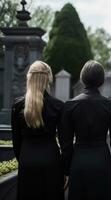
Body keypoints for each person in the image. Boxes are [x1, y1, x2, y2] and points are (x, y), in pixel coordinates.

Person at [59, 60, 111, 200]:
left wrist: (66, 170)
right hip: (103, 161)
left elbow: (66, 144)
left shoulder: (70, 106)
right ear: (102, 80)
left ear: (82, 78)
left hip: (78, 162)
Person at [11, 61, 64, 200]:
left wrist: (24, 158)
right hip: (51, 161)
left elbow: (16, 142)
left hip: (27, 159)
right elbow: (65, 142)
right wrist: (66, 169)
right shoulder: (58, 106)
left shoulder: (17, 106)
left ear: (29, 78)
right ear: (48, 79)